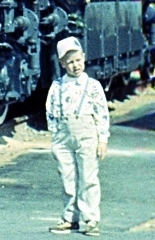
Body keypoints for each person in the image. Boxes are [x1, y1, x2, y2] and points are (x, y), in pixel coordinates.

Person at [46, 36, 110, 237]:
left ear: (84, 57)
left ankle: (91, 219)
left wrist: (102, 139)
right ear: (63, 64)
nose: (75, 66)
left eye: (78, 60)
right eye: (70, 62)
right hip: (64, 135)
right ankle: (69, 218)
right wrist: (55, 135)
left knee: (88, 177)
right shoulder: (57, 86)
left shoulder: (92, 85)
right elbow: (51, 109)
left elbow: (102, 113)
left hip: (87, 133)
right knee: (67, 177)